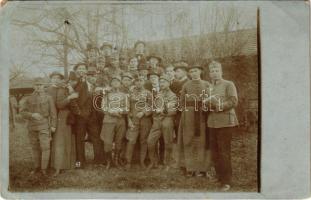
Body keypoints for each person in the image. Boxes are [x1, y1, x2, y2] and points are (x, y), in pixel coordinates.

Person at [205, 61, 239, 191]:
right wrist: (206, 104)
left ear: (221, 72)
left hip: (225, 122)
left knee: (224, 152)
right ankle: (219, 176)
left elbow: (233, 101)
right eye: (212, 71)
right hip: (212, 123)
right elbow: (208, 103)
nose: (214, 73)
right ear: (209, 73)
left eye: (216, 71)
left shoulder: (229, 84)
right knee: (215, 152)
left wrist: (220, 106)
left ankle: (227, 181)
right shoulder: (209, 87)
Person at [177, 64, 211, 177]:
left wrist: (205, 110)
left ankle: (202, 169)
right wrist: (187, 112)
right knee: (188, 140)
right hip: (189, 115)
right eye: (191, 72)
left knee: (202, 141)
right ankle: (189, 168)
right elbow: (181, 102)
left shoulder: (207, 84)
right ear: (189, 74)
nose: (193, 73)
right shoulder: (186, 85)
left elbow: (211, 100)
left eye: (195, 71)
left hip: (202, 114)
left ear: (200, 71)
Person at [20, 77, 57, 176]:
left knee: (45, 147)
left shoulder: (49, 98)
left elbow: (53, 113)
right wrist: (31, 115)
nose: (39, 87)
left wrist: (53, 125)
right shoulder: (27, 98)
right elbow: (22, 112)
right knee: (35, 147)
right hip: (32, 126)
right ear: (33, 86)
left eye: (40, 85)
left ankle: (44, 169)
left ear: (44, 86)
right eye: (36, 85)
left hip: (44, 125)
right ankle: (37, 167)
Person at [73, 63, 104, 168]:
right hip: (81, 118)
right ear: (87, 76)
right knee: (80, 140)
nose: (92, 78)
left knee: (96, 139)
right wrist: (78, 113)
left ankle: (98, 161)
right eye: (90, 76)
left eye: (94, 76)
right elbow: (73, 101)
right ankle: (79, 163)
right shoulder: (80, 85)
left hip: (93, 118)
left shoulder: (97, 88)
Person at [47, 71, 77, 176]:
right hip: (56, 117)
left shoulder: (64, 88)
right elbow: (59, 105)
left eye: (58, 78)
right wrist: (69, 98)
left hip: (65, 117)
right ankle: (56, 166)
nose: (56, 79)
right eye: (53, 77)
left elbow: (73, 100)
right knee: (58, 141)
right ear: (51, 79)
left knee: (66, 140)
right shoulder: (49, 90)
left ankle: (67, 165)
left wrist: (70, 93)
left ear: (61, 80)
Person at [147, 74, 177, 171]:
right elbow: (154, 108)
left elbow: (173, 111)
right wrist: (155, 112)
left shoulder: (173, 96)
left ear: (169, 83)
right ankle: (153, 162)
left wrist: (163, 110)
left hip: (167, 120)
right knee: (150, 141)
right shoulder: (158, 94)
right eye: (161, 82)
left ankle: (167, 163)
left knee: (168, 142)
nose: (162, 83)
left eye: (164, 82)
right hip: (157, 121)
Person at [101, 75, 129, 169]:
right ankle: (109, 161)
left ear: (120, 84)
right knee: (107, 142)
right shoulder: (106, 95)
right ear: (111, 84)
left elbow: (127, 108)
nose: (115, 83)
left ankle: (116, 160)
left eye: (117, 81)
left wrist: (120, 111)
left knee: (119, 141)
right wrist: (111, 112)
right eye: (113, 81)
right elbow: (103, 107)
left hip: (120, 121)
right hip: (109, 121)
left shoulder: (124, 95)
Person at [125, 74, 152, 169]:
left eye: (141, 80)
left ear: (144, 82)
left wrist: (144, 112)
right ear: (134, 82)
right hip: (134, 120)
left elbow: (151, 106)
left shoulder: (148, 93)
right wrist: (129, 119)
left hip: (145, 120)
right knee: (131, 140)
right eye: (137, 81)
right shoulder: (130, 93)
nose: (139, 82)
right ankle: (128, 162)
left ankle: (142, 161)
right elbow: (127, 107)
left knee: (143, 141)